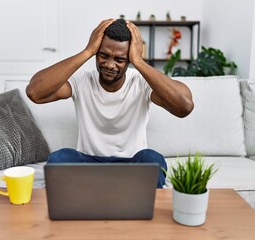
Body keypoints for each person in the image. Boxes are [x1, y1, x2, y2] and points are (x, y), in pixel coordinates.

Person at [26, 18, 194, 188]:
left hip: (132, 165)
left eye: (120, 59)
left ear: (129, 59)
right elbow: (35, 92)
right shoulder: (82, 81)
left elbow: (185, 106)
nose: (109, 65)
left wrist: (139, 62)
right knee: (59, 159)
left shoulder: (141, 83)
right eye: (103, 55)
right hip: (89, 165)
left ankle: (134, 201)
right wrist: (87, 51)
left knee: (153, 159)